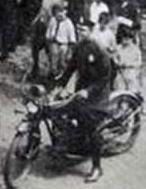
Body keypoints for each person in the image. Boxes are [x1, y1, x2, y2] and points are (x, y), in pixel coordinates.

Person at [56, 21, 115, 183]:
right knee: (65, 111)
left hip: (98, 94)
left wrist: (88, 91)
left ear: (91, 30)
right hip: (81, 90)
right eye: (79, 29)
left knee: (92, 128)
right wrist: (60, 83)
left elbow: (105, 78)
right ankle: (68, 147)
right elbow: (71, 67)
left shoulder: (100, 50)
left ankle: (97, 167)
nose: (80, 32)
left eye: (83, 30)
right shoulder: (79, 47)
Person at [45, 3, 76, 77]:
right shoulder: (53, 20)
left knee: (62, 60)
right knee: (54, 57)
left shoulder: (68, 23)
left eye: (60, 13)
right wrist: (49, 39)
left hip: (63, 44)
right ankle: (53, 73)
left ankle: (62, 76)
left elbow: (72, 39)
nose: (58, 15)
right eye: (56, 13)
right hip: (54, 42)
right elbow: (48, 33)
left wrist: (69, 51)